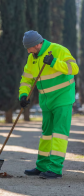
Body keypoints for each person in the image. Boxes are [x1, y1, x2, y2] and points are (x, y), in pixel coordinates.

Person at [19, 30, 79, 179]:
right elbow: (27, 79)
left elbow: (74, 69)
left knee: (59, 134)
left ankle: (55, 169)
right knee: (46, 135)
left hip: (63, 99)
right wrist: (23, 95)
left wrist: (54, 62)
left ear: (38, 44)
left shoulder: (58, 50)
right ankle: (42, 166)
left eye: (30, 47)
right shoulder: (32, 58)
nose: (28, 50)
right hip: (46, 102)